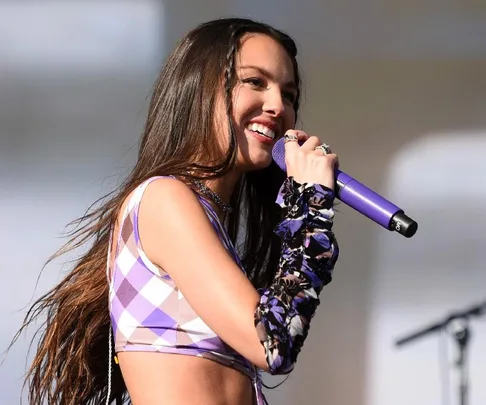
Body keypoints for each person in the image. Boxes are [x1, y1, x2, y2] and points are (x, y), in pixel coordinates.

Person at [12, 17, 339, 405]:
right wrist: (312, 209)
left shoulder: (207, 217)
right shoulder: (164, 199)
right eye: (255, 82)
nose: (276, 106)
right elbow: (272, 341)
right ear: (200, 88)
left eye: (289, 95)